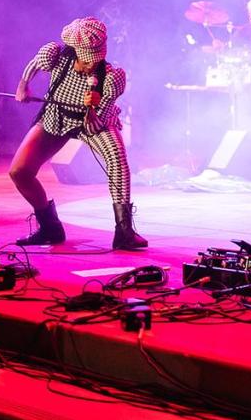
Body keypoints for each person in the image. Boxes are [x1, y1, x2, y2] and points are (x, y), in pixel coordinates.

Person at [8, 16, 147, 250]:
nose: (93, 63)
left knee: (117, 158)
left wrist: (92, 111)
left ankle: (124, 231)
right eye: (88, 58)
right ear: (76, 49)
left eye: (97, 57)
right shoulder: (56, 55)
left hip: (91, 122)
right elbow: (33, 65)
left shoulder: (111, 77)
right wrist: (23, 86)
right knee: (19, 171)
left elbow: (96, 125)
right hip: (56, 116)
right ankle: (50, 227)